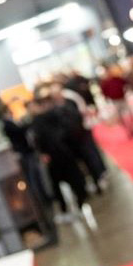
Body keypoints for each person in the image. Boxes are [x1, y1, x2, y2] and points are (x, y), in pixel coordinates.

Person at [29, 94, 90, 225]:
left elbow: (41, 139)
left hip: (58, 155)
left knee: (64, 182)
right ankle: (74, 204)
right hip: (60, 154)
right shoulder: (48, 117)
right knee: (66, 181)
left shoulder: (44, 119)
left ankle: (73, 205)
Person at [52, 85, 107, 192]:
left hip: (83, 134)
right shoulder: (55, 107)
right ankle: (90, 181)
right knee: (82, 163)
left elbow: (81, 112)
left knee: (91, 157)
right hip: (72, 141)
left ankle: (99, 177)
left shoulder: (70, 100)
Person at [0, 105, 50, 209]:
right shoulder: (7, 125)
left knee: (36, 176)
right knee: (33, 177)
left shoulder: (11, 123)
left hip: (27, 152)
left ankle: (43, 197)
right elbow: (20, 131)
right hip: (25, 153)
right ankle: (40, 200)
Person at [99, 65, 133, 138]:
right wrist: (107, 98)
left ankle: (132, 127)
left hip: (122, 98)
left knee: (130, 114)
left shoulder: (118, 79)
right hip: (115, 101)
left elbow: (127, 83)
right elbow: (103, 91)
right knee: (120, 116)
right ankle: (127, 130)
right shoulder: (105, 82)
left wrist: (125, 91)